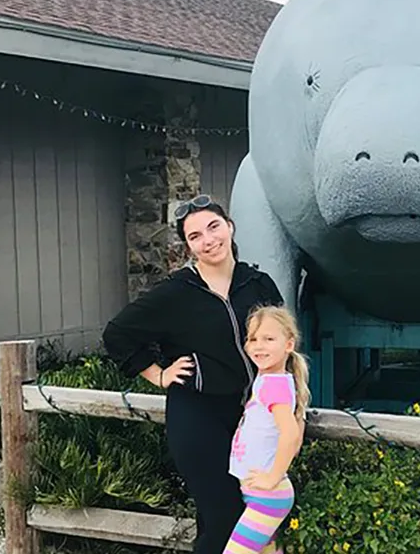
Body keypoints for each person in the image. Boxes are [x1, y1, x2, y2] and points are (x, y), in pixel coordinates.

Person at [101, 194, 285, 554]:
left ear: (229, 227)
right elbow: (117, 334)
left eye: (213, 227)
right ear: (188, 246)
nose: (208, 240)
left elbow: (282, 340)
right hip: (198, 415)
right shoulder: (176, 293)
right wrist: (157, 375)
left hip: (254, 417)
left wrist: (285, 398)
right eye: (195, 236)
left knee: (257, 514)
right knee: (224, 516)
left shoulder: (258, 284)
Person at [224, 305, 310, 554]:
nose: (258, 346)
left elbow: (291, 435)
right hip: (258, 493)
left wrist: (272, 477)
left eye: (269, 339)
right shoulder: (270, 380)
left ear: (289, 345)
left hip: (267, 497)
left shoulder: (274, 385)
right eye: (253, 339)